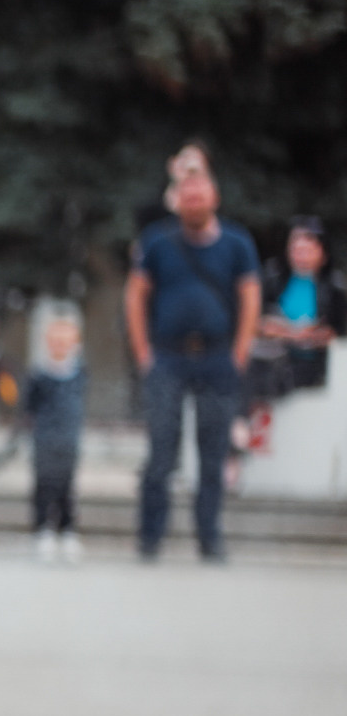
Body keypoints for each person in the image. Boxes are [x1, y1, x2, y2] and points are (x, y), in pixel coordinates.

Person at [126, 162, 258, 561]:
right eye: (188, 196)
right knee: (161, 449)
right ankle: (150, 538)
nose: (194, 202)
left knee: (214, 452)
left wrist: (240, 351)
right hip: (167, 356)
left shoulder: (237, 243)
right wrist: (143, 352)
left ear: (213, 199)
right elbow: (135, 294)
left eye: (200, 195)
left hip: (218, 357)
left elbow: (250, 296)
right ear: (177, 201)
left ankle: (209, 537)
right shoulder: (157, 241)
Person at [22, 301, 86, 564]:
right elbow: (28, 407)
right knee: (43, 486)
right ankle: (42, 529)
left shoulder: (79, 372)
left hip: (68, 441)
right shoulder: (39, 374)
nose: (60, 343)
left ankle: (67, 529)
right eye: (55, 337)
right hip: (44, 440)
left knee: (66, 487)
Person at [255, 217, 342, 396]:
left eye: (308, 250)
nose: (301, 256)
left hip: (312, 362)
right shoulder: (273, 277)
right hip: (272, 356)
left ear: (323, 254)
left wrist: (315, 335)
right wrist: (290, 333)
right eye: (296, 250)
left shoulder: (335, 286)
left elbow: (338, 329)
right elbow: (255, 320)